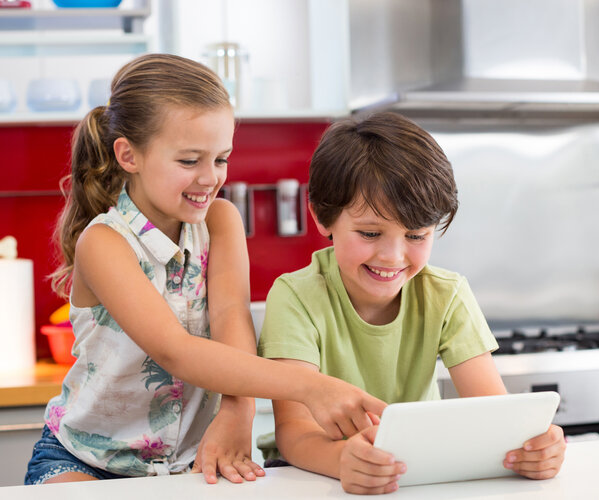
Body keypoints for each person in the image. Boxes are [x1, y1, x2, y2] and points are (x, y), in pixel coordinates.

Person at [24, 54, 385, 487]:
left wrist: (239, 408)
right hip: (87, 459)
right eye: (189, 160)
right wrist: (309, 386)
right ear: (129, 155)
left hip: (194, 460)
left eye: (221, 159)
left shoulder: (220, 221)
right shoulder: (104, 243)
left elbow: (232, 319)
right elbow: (175, 351)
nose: (210, 177)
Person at [257, 111, 566, 495]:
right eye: (370, 232)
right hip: (310, 473)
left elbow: (493, 414)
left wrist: (533, 448)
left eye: (417, 235)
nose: (392, 256)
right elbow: (294, 432)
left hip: (413, 473)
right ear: (322, 216)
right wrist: (343, 460)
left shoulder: (446, 295)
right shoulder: (296, 296)